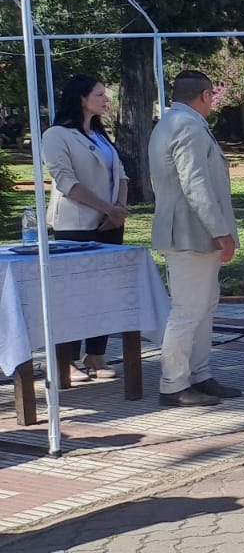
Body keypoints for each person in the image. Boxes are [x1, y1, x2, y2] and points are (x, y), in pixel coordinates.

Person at [149, 70, 241, 407]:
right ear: (204, 95)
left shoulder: (174, 122)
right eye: (212, 96)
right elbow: (195, 185)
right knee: (188, 311)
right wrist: (220, 231)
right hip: (190, 234)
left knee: (204, 307)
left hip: (192, 232)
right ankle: (173, 384)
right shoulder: (187, 126)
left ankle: (199, 375)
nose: (213, 102)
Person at [42, 75, 130, 381]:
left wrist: (119, 210)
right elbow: (66, 182)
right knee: (74, 295)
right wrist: (107, 209)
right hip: (76, 225)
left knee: (104, 292)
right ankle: (65, 359)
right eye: (99, 94)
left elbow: (121, 175)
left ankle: (96, 354)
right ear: (81, 98)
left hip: (109, 225)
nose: (106, 100)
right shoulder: (57, 135)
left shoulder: (101, 135)